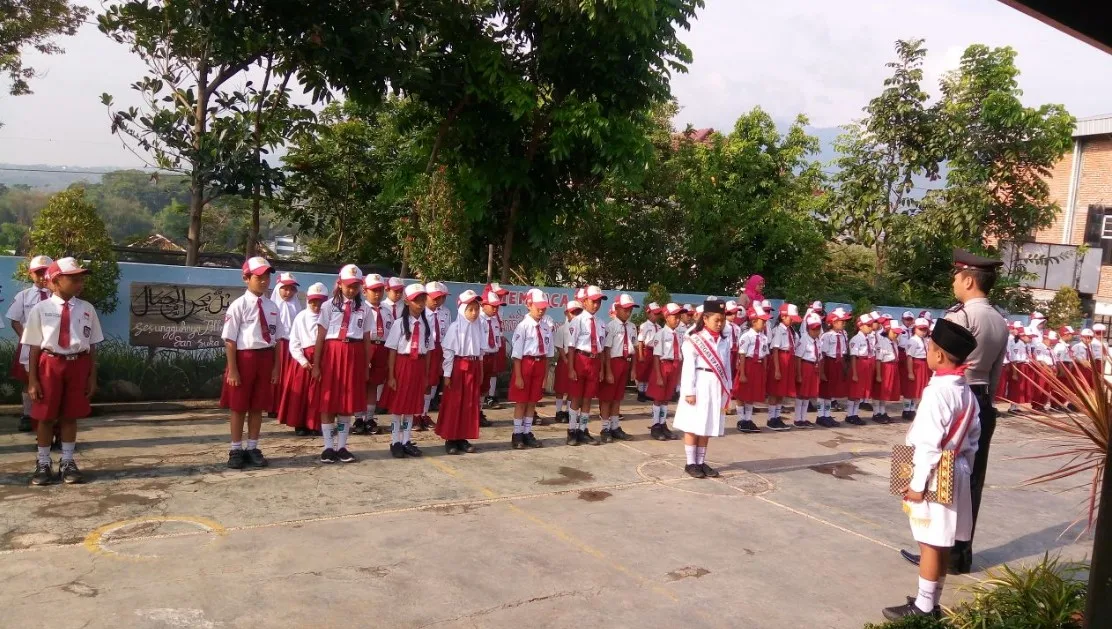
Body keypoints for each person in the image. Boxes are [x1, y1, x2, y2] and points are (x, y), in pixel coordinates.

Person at [901, 249, 1009, 575]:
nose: (953, 281)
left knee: (937, 479)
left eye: (956, 276)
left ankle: (936, 552)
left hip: (954, 395)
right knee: (970, 480)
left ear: (968, 280)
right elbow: (997, 371)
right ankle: (961, 554)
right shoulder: (999, 320)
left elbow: (943, 361)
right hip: (981, 399)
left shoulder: (960, 317)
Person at [882, 318, 981, 621]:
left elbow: (927, 444)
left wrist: (917, 483)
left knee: (928, 545)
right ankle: (930, 600)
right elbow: (974, 439)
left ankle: (924, 608)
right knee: (939, 543)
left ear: (938, 355)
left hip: (934, 473)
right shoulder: (966, 391)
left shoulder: (937, 392)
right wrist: (963, 468)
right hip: (956, 469)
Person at [22, 257, 103, 486]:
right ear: (56, 281)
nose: (80, 283)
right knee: (45, 417)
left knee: (70, 415)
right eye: (73, 279)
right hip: (50, 365)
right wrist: (33, 380)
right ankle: (43, 462)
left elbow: (93, 343)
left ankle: (67, 461)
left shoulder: (87, 309)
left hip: (78, 364)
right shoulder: (41, 309)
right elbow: (35, 346)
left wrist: (92, 376)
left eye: (81, 279)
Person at [220, 257, 283, 470]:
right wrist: (233, 370)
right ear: (246, 278)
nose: (264, 281)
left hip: (265, 358)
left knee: (258, 406)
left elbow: (278, 341)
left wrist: (276, 367)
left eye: (267, 276)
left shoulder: (273, 306)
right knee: (238, 407)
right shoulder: (238, 306)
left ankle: (253, 447)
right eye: (259, 277)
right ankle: (236, 449)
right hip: (243, 359)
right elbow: (230, 340)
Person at [311, 265, 370, 464]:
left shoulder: (365, 309)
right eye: (348, 285)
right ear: (340, 284)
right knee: (329, 401)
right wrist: (316, 364)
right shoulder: (328, 306)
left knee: (347, 403)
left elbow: (367, 339)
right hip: (333, 354)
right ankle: (328, 446)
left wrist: (366, 365)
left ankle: (342, 446)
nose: (352, 290)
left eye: (356, 286)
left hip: (354, 354)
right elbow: (320, 337)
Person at [674, 298, 732, 479]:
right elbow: (689, 367)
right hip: (699, 383)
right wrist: (689, 391)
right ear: (705, 319)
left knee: (707, 424)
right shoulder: (694, 339)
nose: (720, 323)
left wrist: (727, 389)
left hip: (716, 385)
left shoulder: (724, 340)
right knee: (693, 424)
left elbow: (727, 366)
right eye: (717, 320)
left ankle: (701, 461)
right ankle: (691, 462)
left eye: (722, 320)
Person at [383, 283, 434, 458]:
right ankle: (395, 441)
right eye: (416, 301)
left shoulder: (427, 325)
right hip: (402, 365)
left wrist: (426, 375)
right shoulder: (399, 324)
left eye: (422, 300)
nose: (420, 304)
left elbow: (427, 353)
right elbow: (391, 350)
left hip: (418, 366)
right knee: (399, 407)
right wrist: (391, 375)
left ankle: (406, 440)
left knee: (412, 407)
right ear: (407, 302)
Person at [436, 290, 486, 455]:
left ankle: (463, 437)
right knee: (455, 403)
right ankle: (451, 438)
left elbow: (480, 352)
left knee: (469, 403)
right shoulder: (455, 327)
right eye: (470, 309)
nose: (474, 313)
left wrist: (481, 370)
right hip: (459, 367)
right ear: (462, 309)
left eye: (476, 309)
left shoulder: (479, 326)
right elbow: (449, 352)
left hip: (473, 367)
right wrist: (447, 374)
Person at [7, 254, 53, 434]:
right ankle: (27, 414)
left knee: (50, 380)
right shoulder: (24, 296)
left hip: (52, 346)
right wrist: (26, 338)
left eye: (46, 273)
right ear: (30, 274)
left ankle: (48, 413)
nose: (42, 277)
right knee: (28, 381)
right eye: (38, 273)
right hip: (28, 345)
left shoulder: (56, 295)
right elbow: (15, 320)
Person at [278, 282, 328, 436]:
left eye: (320, 302)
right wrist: (302, 360)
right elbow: (294, 342)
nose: (316, 305)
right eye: (313, 301)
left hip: (323, 358)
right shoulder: (301, 317)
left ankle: (316, 423)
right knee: (301, 392)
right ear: (307, 299)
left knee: (319, 393)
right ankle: (300, 423)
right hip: (304, 359)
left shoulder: (330, 317)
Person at [508, 289, 554, 449]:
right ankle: (517, 433)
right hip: (526, 364)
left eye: (544, 307)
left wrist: (545, 375)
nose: (541, 310)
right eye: (538, 307)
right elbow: (517, 355)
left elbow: (548, 354)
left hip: (540, 365)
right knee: (521, 402)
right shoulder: (523, 326)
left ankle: (527, 432)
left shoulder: (546, 327)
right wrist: (519, 376)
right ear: (529, 305)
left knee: (533, 401)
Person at [565, 285, 608, 446]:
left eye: (599, 302)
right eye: (593, 301)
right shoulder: (577, 321)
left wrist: (602, 368)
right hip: (580, 359)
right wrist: (570, 368)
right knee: (576, 396)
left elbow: (602, 348)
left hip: (595, 361)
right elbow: (570, 346)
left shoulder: (601, 323)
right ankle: (572, 430)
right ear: (584, 302)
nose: (596, 305)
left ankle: (583, 429)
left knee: (588, 397)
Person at [599, 294, 638, 442]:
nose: (628, 312)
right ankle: (605, 428)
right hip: (613, 362)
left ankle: (615, 427)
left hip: (625, 362)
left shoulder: (632, 327)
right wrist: (608, 370)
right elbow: (606, 350)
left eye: (630, 310)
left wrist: (633, 369)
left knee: (617, 397)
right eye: (625, 309)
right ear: (617, 308)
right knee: (607, 397)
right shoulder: (611, 326)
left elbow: (634, 349)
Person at [356, 274, 391, 435]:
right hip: (366, 346)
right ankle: (358, 418)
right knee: (360, 382)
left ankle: (369, 418)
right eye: (373, 290)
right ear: (364, 291)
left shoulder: (387, 310)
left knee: (374, 384)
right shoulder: (360, 309)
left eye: (380, 290)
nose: (377, 294)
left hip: (382, 347)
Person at [646, 303, 683, 441]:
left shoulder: (679, 335)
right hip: (662, 366)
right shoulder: (660, 334)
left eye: (679, 317)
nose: (678, 320)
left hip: (673, 366)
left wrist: (678, 374)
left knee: (666, 398)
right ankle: (656, 425)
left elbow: (679, 354)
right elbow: (656, 356)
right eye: (675, 317)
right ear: (666, 317)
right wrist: (659, 376)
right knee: (658, 397)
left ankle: (663, 424)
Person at [734, 303, 771, 433]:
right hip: (748, 365)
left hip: (759, 366)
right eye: (763, 321)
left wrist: (765, 370)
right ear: (754, 321)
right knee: (742, 393)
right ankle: (741, 419)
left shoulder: (764, 338)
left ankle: (748, 419)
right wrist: (742, 373)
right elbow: (742, 355)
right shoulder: (746, 336)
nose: (765, 324)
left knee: (752, 394)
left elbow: (765, 355)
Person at [419, 281, 450, 431]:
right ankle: (415, 415)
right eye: (435, 298)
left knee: (432, 382)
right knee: (422, 381)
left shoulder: (445, 312)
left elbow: (447, 333)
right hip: (425, 350)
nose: (438, 301)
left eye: (442, 297)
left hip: (440, 349)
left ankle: (424, 413)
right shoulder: (420, 312)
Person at [269, 272, 301, 418]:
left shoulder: (297, 307)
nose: (288, 292)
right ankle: (272, 405)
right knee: (275, 374)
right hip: (276, 344)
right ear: (278, 288)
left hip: (291, 345)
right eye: (285, 288)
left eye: (292, 289)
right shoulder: (271, 306)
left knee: (288, 377)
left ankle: (284, 405)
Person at [766, 303, 801, 431]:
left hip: (789, 360)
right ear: (783, 316)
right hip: (780, 359)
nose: (792, 320)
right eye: (790, 317)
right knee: (775, 391)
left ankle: (777, 416)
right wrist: (776, 369)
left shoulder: (791, 331)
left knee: (782, 391)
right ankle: (771, 418)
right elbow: (775, 350)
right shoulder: (779, 330)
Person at [818, 308, 851, 428]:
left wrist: (844, 368)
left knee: (831, 391)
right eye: (842, 321)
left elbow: (842, 353)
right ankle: (820, 415)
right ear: (834, 322)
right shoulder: (827, 336)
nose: (844, 323)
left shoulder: (843, 335)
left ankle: (827, 414)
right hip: (828, 363)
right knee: (824, 392)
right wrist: (821, 372)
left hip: (837, 363)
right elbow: (822, 354)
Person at [791, 312, 823, 429]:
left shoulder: (818, 340)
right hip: (805, 366)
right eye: (814, 329)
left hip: (814, 368)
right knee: (801, 394)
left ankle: (803, 418)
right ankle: (797, 419)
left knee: (808, 395)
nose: (816, 331)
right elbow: (798, 357)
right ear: (808, 328)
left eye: (818, 329)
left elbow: (819, 356)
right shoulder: (804, 339)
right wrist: (798, 374)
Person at [482, 282, 511, 408]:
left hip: (496, 342)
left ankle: (491, 395)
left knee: (494, 371)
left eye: (501, 295)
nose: (500, 297)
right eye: (498, 294)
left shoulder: (500, 308)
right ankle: (484, 398)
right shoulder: (483, 313)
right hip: (483, 350)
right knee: (483, 374)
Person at [553, 300, 582, 423]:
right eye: (573, 312)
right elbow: (559, 345)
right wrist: (565, 360)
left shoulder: (581, 327)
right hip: (565, 360)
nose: (575, 315)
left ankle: (569, 411)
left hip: (577, 359)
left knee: (572, 387)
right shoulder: (562, 329)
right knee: (561, 387)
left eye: (578, 312)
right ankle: (559, 411)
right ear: (567, 313)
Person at [845, 314, 875, 426]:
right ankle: (849, 415)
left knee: (860, 391)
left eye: (871, 325)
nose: (870, 327)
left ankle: (855, 414)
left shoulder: (868, 338)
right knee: (854, 391)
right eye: (868, 325)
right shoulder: (856, 339)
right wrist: (854, 373)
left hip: (866, 364)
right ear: (860, 326)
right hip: (858, 364)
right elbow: (853, 356)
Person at [902, 318, 931, 419]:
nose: (923, 332)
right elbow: (909, 357)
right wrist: (910, 372)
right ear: (915, 329)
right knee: (911, 389)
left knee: (918, 389)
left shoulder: (924, 340)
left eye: (925, 329)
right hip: (915, 364)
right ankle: (906, 410)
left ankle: (912, 409)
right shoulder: (913, 341)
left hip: (923, 364)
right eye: (920, 329)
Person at [636, 303, 662, 403]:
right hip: (647, 350)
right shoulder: (644, 326)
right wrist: (641, 355)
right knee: (643, 372)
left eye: (658, 313)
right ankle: (640, 393)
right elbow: (640, 341)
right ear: (648, 313)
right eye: (654, 313)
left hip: (655, 351)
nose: (656, 316)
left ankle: (647, 392)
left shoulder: (659, 327)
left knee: (650, 372)